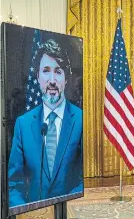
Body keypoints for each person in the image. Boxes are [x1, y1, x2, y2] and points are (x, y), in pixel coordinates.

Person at [8, 39, 83, 208]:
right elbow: (14, 184)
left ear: (65, 78)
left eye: (58, 71)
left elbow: (82, 179)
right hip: (32, 213)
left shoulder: (80, 120)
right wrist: (25, 210)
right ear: (38, 77)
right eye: (46, 71)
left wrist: (67, 206)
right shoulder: (23, 124)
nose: (51, 80)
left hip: (70, 208)